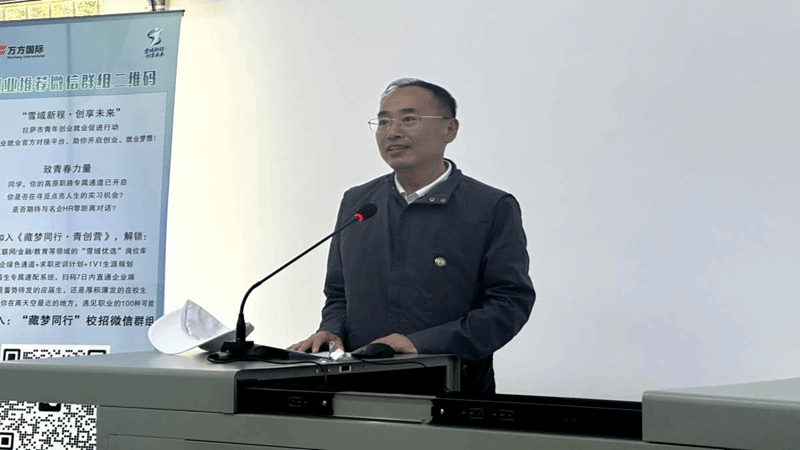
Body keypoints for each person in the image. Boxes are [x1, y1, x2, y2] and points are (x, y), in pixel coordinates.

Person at [289, 78, 535, 393]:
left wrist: (423, 343)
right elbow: (338, 293)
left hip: (450, 387)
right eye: (383, 122)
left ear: (450, 129)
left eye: (409, 119)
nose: (392, 132)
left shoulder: (490, 206)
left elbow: (509, 303)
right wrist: (331, 330)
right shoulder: (359, 203)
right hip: (356, 386)